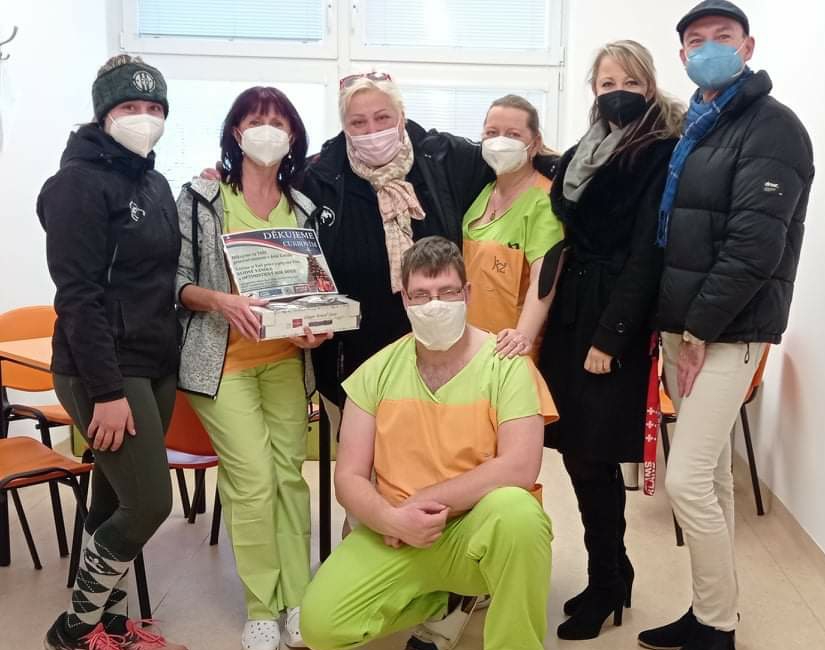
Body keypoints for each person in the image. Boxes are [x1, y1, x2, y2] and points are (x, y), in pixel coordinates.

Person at [639, 3, 814, 650]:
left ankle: (715, 627)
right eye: (696, 40)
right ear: (682, 54)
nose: (708, 47)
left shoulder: (773, 127)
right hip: (686, 326)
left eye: (723, 37)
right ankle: (713, 613)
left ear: (747, 46)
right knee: (710, 476)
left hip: (728, 331)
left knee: (686, 480)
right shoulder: (699, 125)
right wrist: (673, 326)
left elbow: (754, 247)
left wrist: (699, 329)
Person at [299, 236, 556, 650]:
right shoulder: (375, 373)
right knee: (320, 625)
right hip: (398, 534)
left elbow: (520, 467)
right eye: (421, 295)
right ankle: (440, 601)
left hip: (472, 532)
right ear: (404, 299)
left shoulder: (506, 366)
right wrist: (390, 519)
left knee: (519, 514)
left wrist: (422, 503)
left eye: (446, 292)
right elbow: (347, 478)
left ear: (467, 293)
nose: (434, 305)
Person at [537, 40, 684, 640]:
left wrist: (612, 336)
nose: (616, 91)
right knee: (577, 452)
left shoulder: (660, 150)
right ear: (593, 91)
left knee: (595, 451)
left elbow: (649, 253)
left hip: (613, 317)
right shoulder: (583, 151)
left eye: (628, 81)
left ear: (648, 85)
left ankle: (606, 582)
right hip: (571, 313)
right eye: (605, 83)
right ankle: (613, 570)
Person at [38, 55, 185, 650]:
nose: (143, 117)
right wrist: (106, 391)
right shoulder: (75, 184)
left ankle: (111, 623)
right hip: (104, 371)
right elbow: (77, 296)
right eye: (129, 106)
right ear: (104, 114)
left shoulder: (153, 182)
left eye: (154, 107)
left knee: (113, 498)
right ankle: (74, 628)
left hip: (155, 365)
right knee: (149, 504)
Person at [175, 86, 329, 650]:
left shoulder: (303, 208)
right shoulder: (202, 199)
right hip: (223, 366)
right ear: (236, 132)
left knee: (289, 477)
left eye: (279, 122)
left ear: (293, 136)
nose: (268, 130)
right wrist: (221, 301)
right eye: (256, 120)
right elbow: (175, 281)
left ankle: (298, 600)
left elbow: (313, 289)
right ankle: (262, 607)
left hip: (286, 361)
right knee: (253, 480)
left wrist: (317, 325)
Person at [302, 73, 495, 436]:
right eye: (358, 123)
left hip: (440, 349)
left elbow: (512, 164)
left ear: (401, 116)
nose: (372, 131)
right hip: (355, 356)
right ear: (344, 127)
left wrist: (555, 165)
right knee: (364, 458)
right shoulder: (319, 176)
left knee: (439, 449)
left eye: (382, 117)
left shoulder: (443, 157)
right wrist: (225, 173)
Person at [462, 94, 563, 358]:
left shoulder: (543, 201)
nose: (500, 141)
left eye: (513, 134)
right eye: (491, 132)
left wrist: (523, 337)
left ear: (535, 143)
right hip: (470, 342)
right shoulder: (483, 193)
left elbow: (544, 279)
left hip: (510, 346)